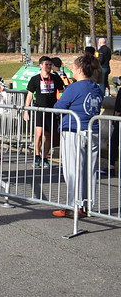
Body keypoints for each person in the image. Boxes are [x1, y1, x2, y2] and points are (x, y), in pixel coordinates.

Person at [52, 52, 103, 217]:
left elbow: (58, 107)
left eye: (74, 67)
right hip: (92, 131)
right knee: (90, 170)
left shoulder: (74, 87)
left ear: (80, 69)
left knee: (72, 170)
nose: (72, 70)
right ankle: (87, 205)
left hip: (74, 130)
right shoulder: (97, 88)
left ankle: (73, 205)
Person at [24, 55, 65, 168]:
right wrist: (26, 110)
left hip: (51, 110)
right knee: (39, 133)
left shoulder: (55, 78)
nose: (48, 67)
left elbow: (62, 91)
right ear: (41, 65)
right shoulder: (35, 79)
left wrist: (61, 104)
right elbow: (29, 95)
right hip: (39, 109)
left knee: (48, 135)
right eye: (46, 64)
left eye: (50, 65)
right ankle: (37, 156)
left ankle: (45, 157)